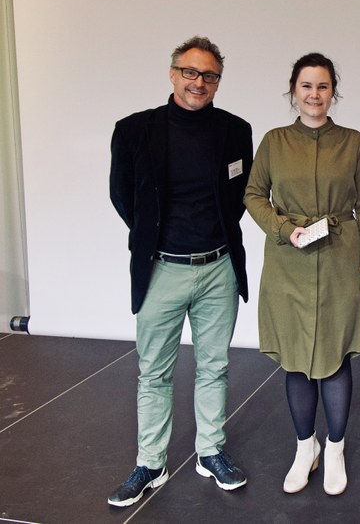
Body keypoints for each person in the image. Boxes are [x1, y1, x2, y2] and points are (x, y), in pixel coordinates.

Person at [108, 36, 252, 507]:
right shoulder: (134, 130)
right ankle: (151, 463)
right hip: (161, 270)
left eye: (209, 75)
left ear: (218, 82)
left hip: (218, 269)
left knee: (215, 367)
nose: (199, 82)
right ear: (173, 74)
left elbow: (239, 197)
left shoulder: (236, 131)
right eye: (190, 72)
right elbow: (122, 196)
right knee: (153, 373)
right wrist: (154, 236)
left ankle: (210, 452)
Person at [244, 52, 360, 496]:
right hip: (288, 265)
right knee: (296, 361)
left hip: (341, 262)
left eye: (323, 86)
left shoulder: (353, 142)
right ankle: (305, 448)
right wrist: (283, 229)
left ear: (333, 92)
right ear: (294, 91)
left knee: (335, 357)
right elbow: (253, 194)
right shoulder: (273, 141)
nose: (314, 94)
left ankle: (336, 449)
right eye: (306, 86)